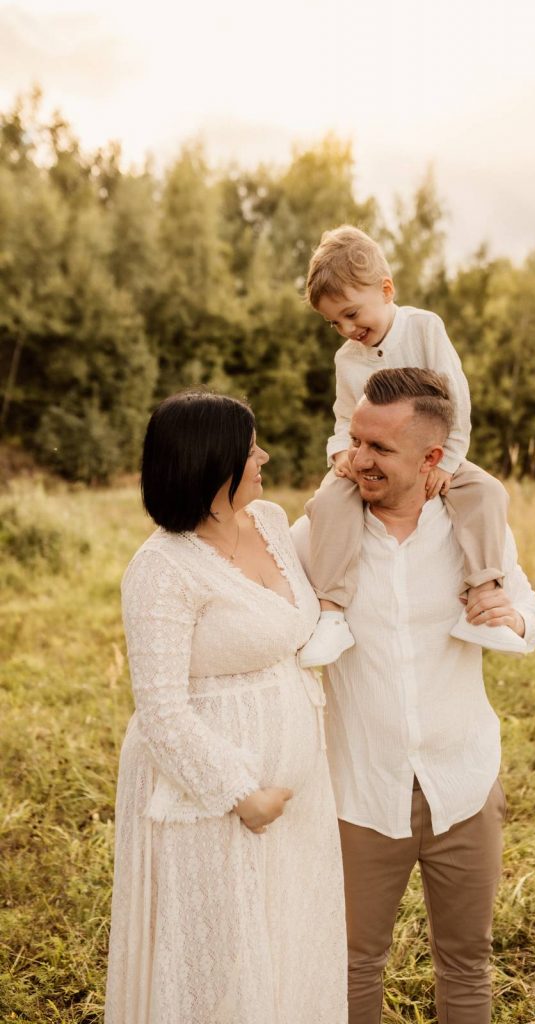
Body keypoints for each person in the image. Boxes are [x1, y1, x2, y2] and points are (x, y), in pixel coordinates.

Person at [291, 368, 535, 1024]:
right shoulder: (319, 534)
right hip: (358, 791)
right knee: (350, 963)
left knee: (465, 960)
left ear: (431, 458)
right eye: (355, 441)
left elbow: (528, 609)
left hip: (462, 785)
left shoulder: (471, 533)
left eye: (378, 449)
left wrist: (511, 620)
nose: (355, 460)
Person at [105, 390, 347, 1024]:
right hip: (211, 799)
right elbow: (160, 708)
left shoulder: (267, 520)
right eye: (249, 448)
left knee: (284, 940)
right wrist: (241, 793)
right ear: (210, 463)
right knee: (214, 960)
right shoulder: (161, 567)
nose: (263, 456)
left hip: (295, 792)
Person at [299, 224, 526, 669]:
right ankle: (331, 612)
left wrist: (453, 459)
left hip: (437, 453)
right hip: (367, 458)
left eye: (351, 313)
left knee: (487, 493)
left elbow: (455, 398)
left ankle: (483, 590)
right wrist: (340, 454)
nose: (346, 329)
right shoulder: (347, 359)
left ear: (386, 289)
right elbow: (344, 416)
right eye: (333, 323)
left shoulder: (424, 328)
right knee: (328, 502)